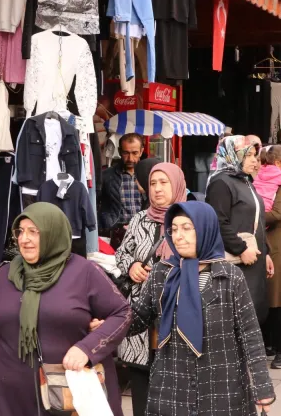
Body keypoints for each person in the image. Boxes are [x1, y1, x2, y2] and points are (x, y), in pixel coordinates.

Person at [0, 203, 132, 416]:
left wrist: (87, 348)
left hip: (69, 397)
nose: (24, 239)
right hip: (10, 398)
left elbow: (122, 313)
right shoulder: (6, 275)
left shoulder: (84, 272)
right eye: (20, 231)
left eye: (34, 231)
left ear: (53, 233)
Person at [127, 201, 276, 415]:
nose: (178, 236)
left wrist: (262, 387)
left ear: (205, 229)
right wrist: (106, 323)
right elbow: (137, 318)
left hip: (222, 387)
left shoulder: (229, 277)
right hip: (172, 386)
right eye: (174, 229)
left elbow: (250, 334)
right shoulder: (162, 273)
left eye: (187, 228)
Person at [113, 162, 187, 416]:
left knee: (176, 385)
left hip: (177, 311)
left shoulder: (189, 219)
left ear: (176, 184)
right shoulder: (139, 220)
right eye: (153, 183)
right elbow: (122, 253)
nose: (157, 189)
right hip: (141, 316)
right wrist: (132, 265)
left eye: (164, 183)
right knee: (141, 381)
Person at [206, 135, 274, 324]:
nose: (254, 161)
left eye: (254, 155)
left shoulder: (244, 180)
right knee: (240, 317)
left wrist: (266, 252)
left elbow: (255, 219)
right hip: (237, 262)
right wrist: (241, 249)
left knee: (254, 315)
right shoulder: (221, 182)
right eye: (248, 155)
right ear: (232, 155)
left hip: (253, 260)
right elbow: (218, 221)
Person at [253, 145, 281, 369]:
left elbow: (279, 214)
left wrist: (252, 216)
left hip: (277, 242)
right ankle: (268, 344)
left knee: (277, 299)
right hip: (263, 239)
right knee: (265, 297)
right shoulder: (268, 182)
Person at [99, 133, 145, 231]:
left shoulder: (149, 175)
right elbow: (95, 203)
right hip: (115, 231)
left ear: (141, 152)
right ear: (120, 151)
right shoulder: (107, 176)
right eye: (126, 153)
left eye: (135, 153)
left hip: (142, 231)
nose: (130, 158)